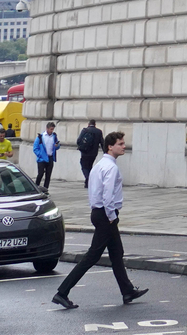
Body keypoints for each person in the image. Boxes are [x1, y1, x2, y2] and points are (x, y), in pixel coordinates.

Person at [52, 129, 145, 311]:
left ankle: (128, 291)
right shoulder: (111, 167)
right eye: (120, 144)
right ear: (110, 147)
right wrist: (111, 217)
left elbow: (94, 191)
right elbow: (108, 196)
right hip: (106, 214)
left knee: (117, 253)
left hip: (99, 212)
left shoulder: (98, 165)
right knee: (92, 256)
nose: (124, 146)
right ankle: (62, 293)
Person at [34, 122, 61, 191]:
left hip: (50, 157)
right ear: (47, 128)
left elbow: (57, 146)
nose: (52, 131)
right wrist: (40, 154)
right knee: (40, 173)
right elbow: (35, 148)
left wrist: (57, 146)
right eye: (51, 129)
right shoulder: (41, 137)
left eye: (53, 129)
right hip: (42, 159)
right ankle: (36, 187)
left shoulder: (54, 137)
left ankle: (45, 189)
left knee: (48, 175)